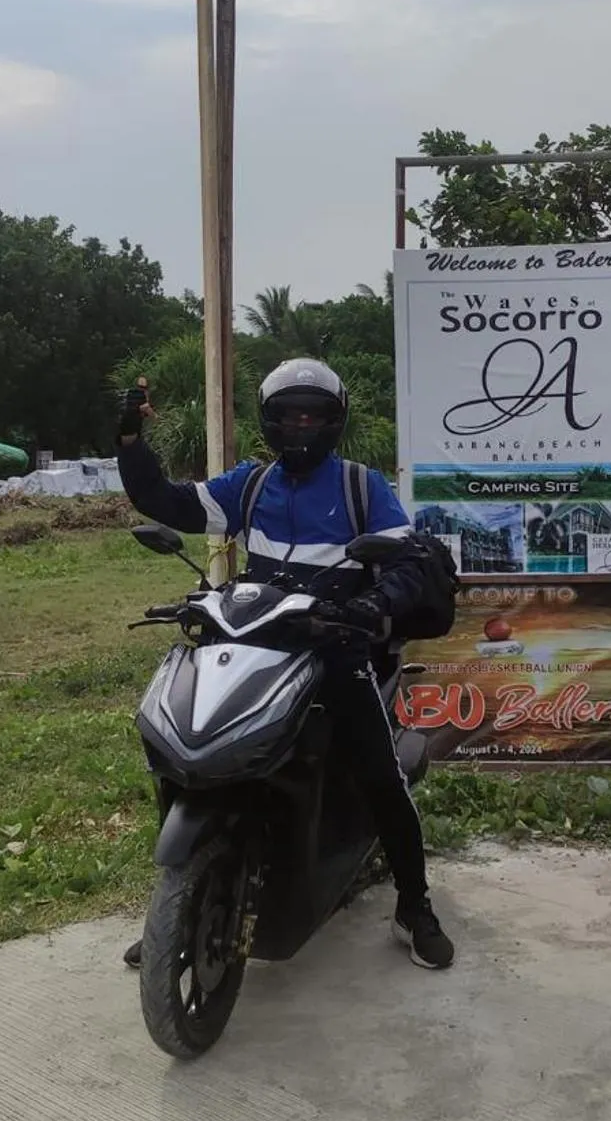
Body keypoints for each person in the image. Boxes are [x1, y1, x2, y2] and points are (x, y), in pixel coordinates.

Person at [117, 358, 455, 970]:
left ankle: (415, 905)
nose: (301, 426)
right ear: (270, 422)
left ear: (333, 423)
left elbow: (408, 562)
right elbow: (165, 501)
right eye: (289, 415)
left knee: (381, 773)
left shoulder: (360, 486)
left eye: (313, 415)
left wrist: (373, 603)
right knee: (184, 754)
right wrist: (128, 441)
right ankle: (181, 901)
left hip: (336, 647)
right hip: (258, 643)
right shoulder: (249, 485)